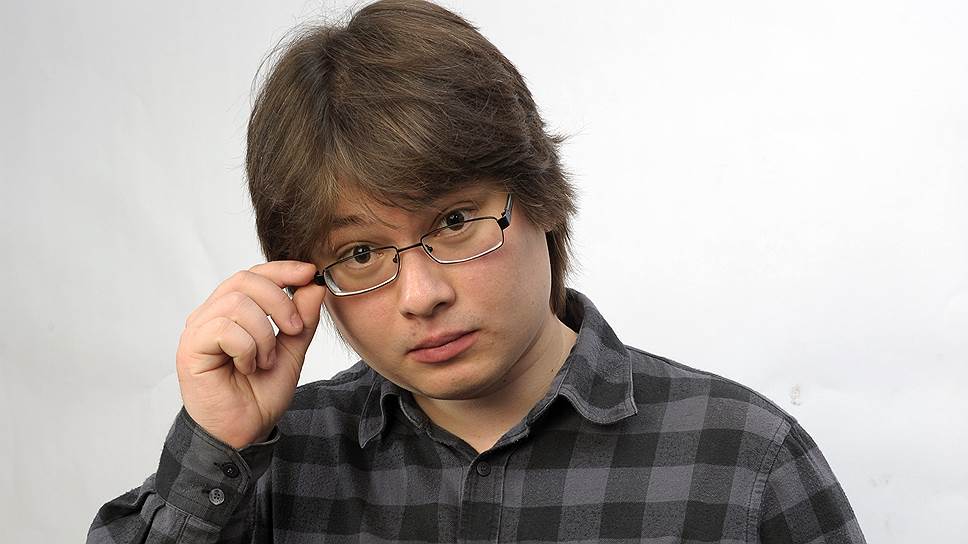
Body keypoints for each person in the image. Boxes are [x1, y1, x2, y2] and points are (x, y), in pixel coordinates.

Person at [88, 1, 866, 542]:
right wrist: (214, 442)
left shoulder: (742, 460)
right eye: (360, 254)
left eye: (454, 222)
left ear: (541, 199)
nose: (421, 296)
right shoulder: (266, 466)